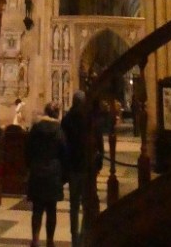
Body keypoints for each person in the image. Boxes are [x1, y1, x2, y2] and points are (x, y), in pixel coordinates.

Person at [61, 91, 103, 247]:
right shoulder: (89, 119)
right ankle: (84, 234)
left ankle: (75, 239)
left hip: (73, 167)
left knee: (74, 204)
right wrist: (98, 162)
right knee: (87, 202)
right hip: (86, 167)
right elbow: (98, 142)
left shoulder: (66, 120)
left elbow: (63, 145)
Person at [25, 101, 67, 247]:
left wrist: (30, 166)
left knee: (37, 209)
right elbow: (64, 152)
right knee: (51, 210)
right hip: (53, 173)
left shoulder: (36, 128)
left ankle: (35, 239)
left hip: (37, 171)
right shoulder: (59, 130)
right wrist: (63, 174)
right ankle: (50, 240)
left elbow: (28, 150)